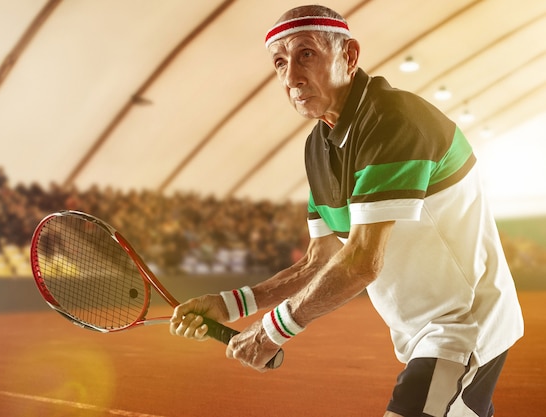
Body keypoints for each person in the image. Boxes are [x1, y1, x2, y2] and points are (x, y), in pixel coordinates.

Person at [169, 5, 524, 417]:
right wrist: (230, 305)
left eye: (306, 55)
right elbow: (320, 260)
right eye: (279, 63)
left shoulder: (394, 122)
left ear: (349, 56)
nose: (291, 78)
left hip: (464, 328)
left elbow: (360, 261)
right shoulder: (317, 147)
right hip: (425, 335)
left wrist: (270, 331)